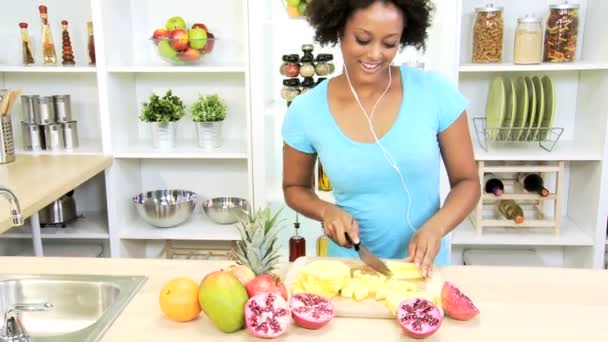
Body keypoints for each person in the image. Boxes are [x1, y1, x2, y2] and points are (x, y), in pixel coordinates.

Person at [281, 0, 480, 277]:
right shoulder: (306, 111)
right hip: (349, 268)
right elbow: (294, 187)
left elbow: (468, 183)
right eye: (362, 40)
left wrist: (437, 227)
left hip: (423, 269)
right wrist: (327, 212)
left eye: (389, 44)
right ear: (338, 29)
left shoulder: (435, 93)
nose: (375, 54)